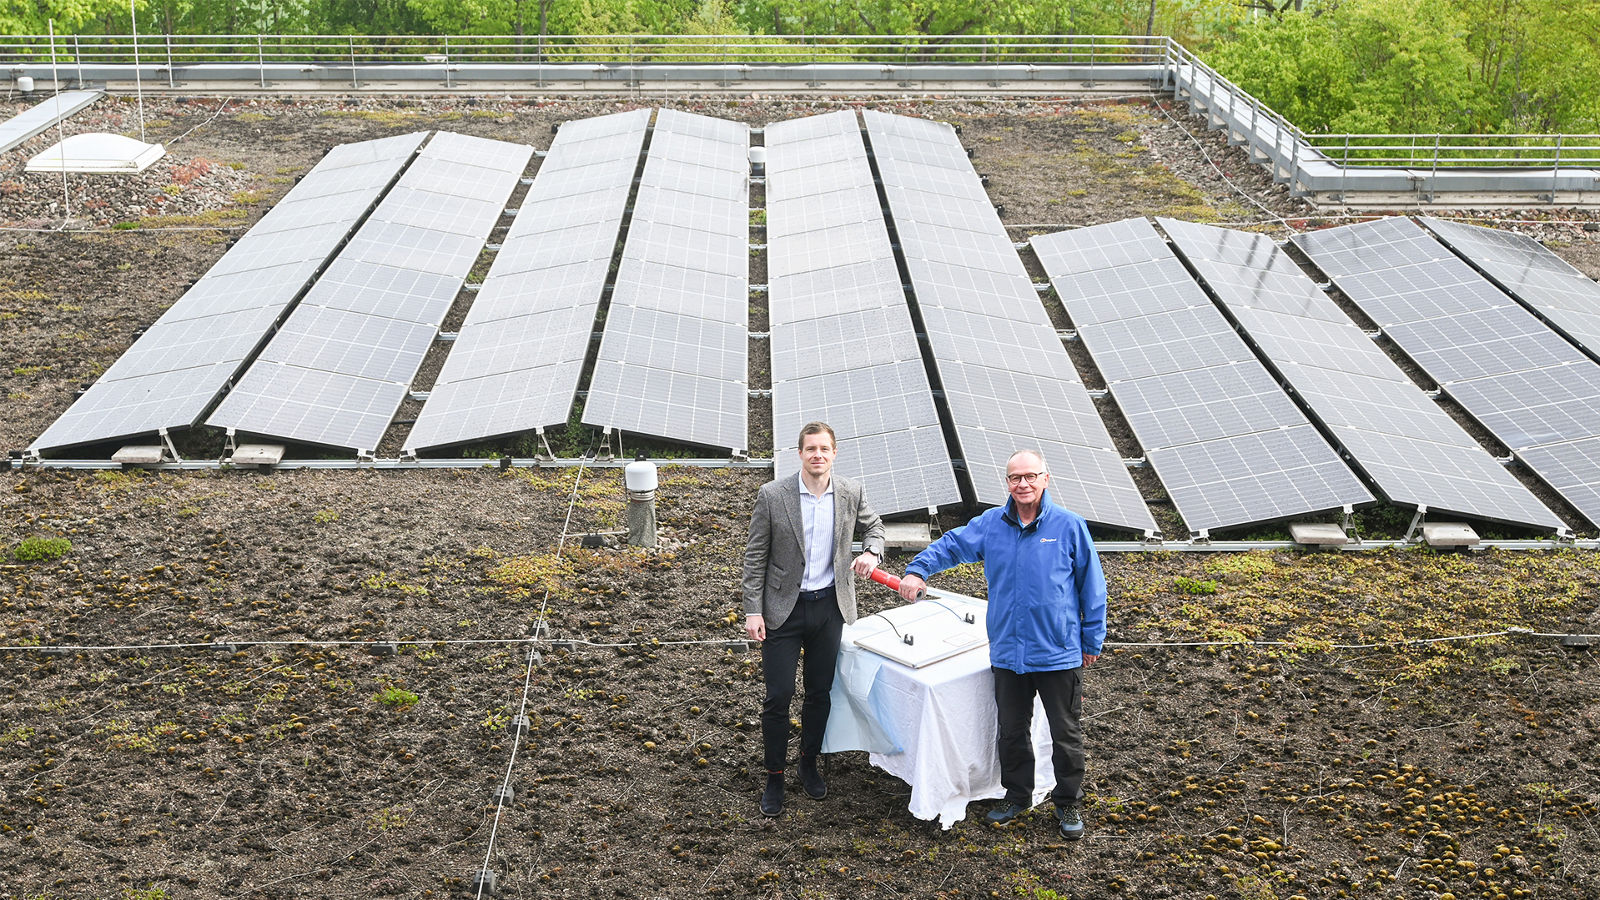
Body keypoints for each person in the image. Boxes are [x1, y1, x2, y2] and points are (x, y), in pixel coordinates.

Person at [896, 448, 1105, 840]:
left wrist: (1091, 638)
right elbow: (953, 545)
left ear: (1046, 478)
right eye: (1015, 478)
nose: (1023, 484)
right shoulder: (992, 524)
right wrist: (918, 568)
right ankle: (1017, 795)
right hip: (1008, 650)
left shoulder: (1069, 526)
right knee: (1011, 729)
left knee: (1065, 731)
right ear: (1006, 482)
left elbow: (1092, 587)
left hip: (1058, 651)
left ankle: (1067, 802)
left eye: (1030, 476)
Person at [742, 422, 885, 817]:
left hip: (829, 608)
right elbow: (755, 556)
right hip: (782, 611)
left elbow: (875, 527)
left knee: (819, 692)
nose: (818, 455)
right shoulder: (773, 495)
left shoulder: (851, 492)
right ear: (800, 454)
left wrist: (872, 552)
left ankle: (808, 762)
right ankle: (774, 774)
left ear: (834, 453)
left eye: (824, 449)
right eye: (810, 449)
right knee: (779, 694)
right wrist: (753, 609)